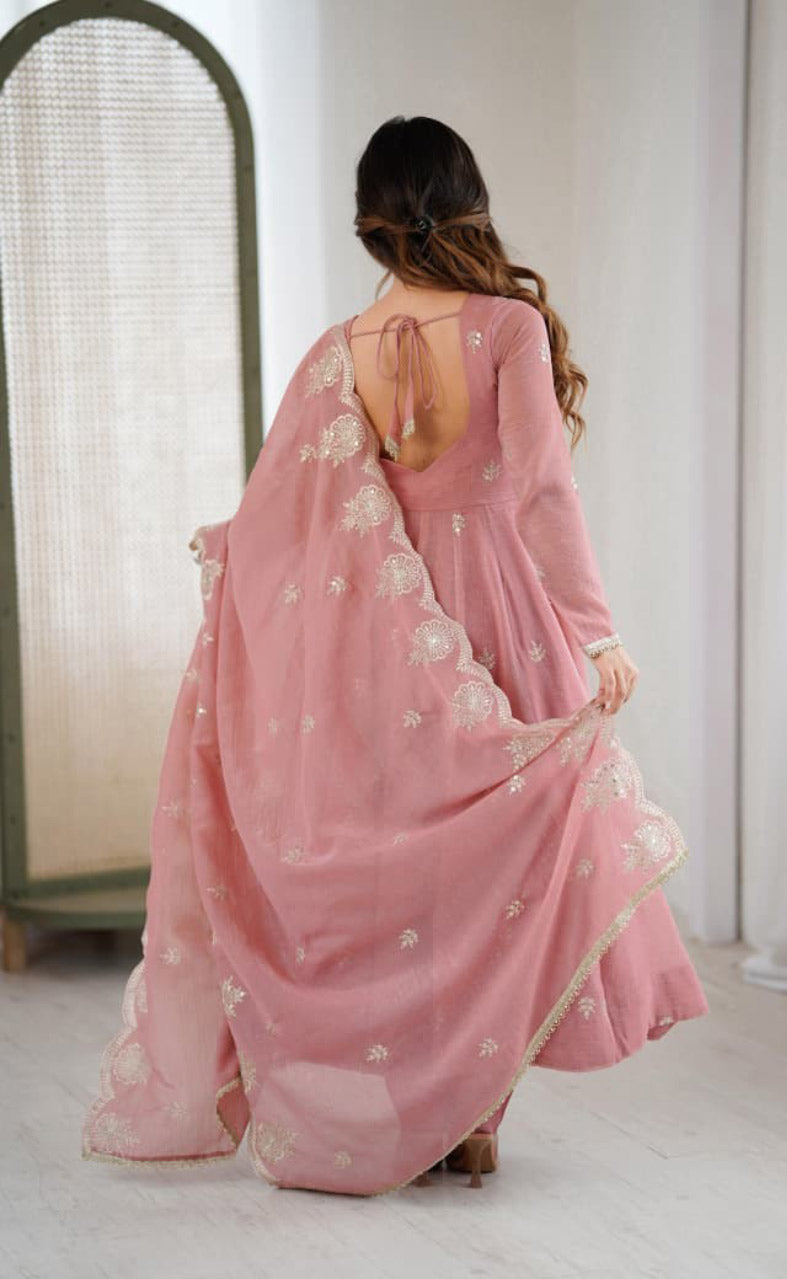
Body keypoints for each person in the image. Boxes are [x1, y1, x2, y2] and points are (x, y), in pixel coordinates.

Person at [81, 115, 709, 1197]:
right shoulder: (506, 327)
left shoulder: (343, 348)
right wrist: (596, 632)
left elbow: (284, 507)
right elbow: (539, 492)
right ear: (467, 202)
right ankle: (471, 1119)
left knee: (404, 871)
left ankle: (417, 1108)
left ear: (370, 223)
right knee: (494, 864)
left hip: (380, 631)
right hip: (495, 613)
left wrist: (236, 562)